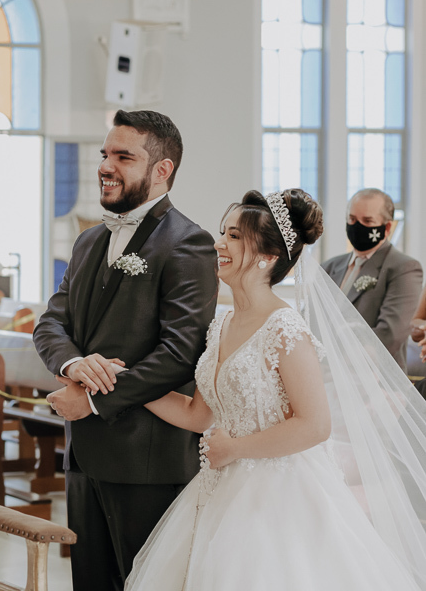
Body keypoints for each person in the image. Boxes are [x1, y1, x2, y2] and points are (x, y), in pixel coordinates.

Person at [117, 189, 426, 589]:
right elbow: (198, 413)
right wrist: (127, 385)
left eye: (234, 236)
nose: (219, 244)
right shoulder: (221, 324)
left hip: (280, 494)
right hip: (220, 487)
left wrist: (235, 448)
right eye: (223, 232)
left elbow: (315, 425)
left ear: (268, 256)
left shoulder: (285, 327)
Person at [33, 110, 219, 590]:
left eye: (123, 156)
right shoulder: (88, 241)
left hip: (146, 460)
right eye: (105, 154)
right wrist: (74, 363)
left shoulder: (188, 243)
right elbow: (51, 323)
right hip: (84, 455)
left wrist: (92, 399)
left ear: (162, 169)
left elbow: (181, 353)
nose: (105, 166)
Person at [321, 188, 422, 372]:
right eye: (352, 219)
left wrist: (336, 360)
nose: (357, 226)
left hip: (375, 376)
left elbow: (390, 333)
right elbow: (311, 319)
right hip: (323, 372)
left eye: (367, 221)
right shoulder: (329, 267)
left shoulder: (403, 268)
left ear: (387, 227)